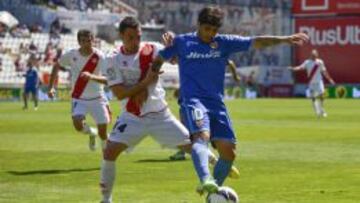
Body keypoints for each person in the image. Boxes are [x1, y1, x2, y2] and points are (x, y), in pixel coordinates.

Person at [151, 6, 309, 194]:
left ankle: (211, 191)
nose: (210, 34)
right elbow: (159, 58)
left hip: (216, 103)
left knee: (228, 152)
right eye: (207, 29)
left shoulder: (223, 43)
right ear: (199, 25)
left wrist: (284, 39)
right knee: (201, 137)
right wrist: (155, 70)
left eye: (214, 30)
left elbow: (255, 42)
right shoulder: (182, 42)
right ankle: (205, 178)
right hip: (193, 101)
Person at [98, 16, 238, 203]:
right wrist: (145, 83)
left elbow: (179, 60)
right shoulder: (111, 58)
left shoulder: (152, 49)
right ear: (121, 36)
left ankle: (214, 163)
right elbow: (119, 94)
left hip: (160, 116)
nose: (135, 41)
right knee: (109, 152)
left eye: (138, 36)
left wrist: (174, 47)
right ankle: (106, 200)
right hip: (132, 117)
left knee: (193, 146)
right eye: (130, 37)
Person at [48, 29, 111, 151]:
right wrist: (51, 87)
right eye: (83, 41)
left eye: (89, 40)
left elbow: (109, 79)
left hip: (98, 98)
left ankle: (105, 153)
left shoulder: (100, 56)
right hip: (79, 98)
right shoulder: (72, 55)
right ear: (78, 42)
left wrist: (92, 77)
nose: (86, 43)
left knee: (103, 133)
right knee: (78, 125)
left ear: (93, 40)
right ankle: (92, 133)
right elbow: (57, 65)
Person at [169, 59, 240, 160]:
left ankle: (198, 151)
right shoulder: (209, 55)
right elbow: (230, 62)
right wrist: (235, 76)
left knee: (188, 126)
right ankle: (211, 148)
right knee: (191, 125)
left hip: (197, 96)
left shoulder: (199, 55)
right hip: (203, 95)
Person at [290, 49, 335, 117]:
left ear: (317, 55)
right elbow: (300, 67)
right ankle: (317, 112)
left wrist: (330, 79)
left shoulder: (320, 62)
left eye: (314, 55)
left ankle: (322, 109)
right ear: (310, 55)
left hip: (319, 81)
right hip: (311, 83)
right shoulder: (307, 62)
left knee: (322, 95)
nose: (313, 56)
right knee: (313, 98)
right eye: (312, 55)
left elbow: (324, 72)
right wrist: (293, 68)